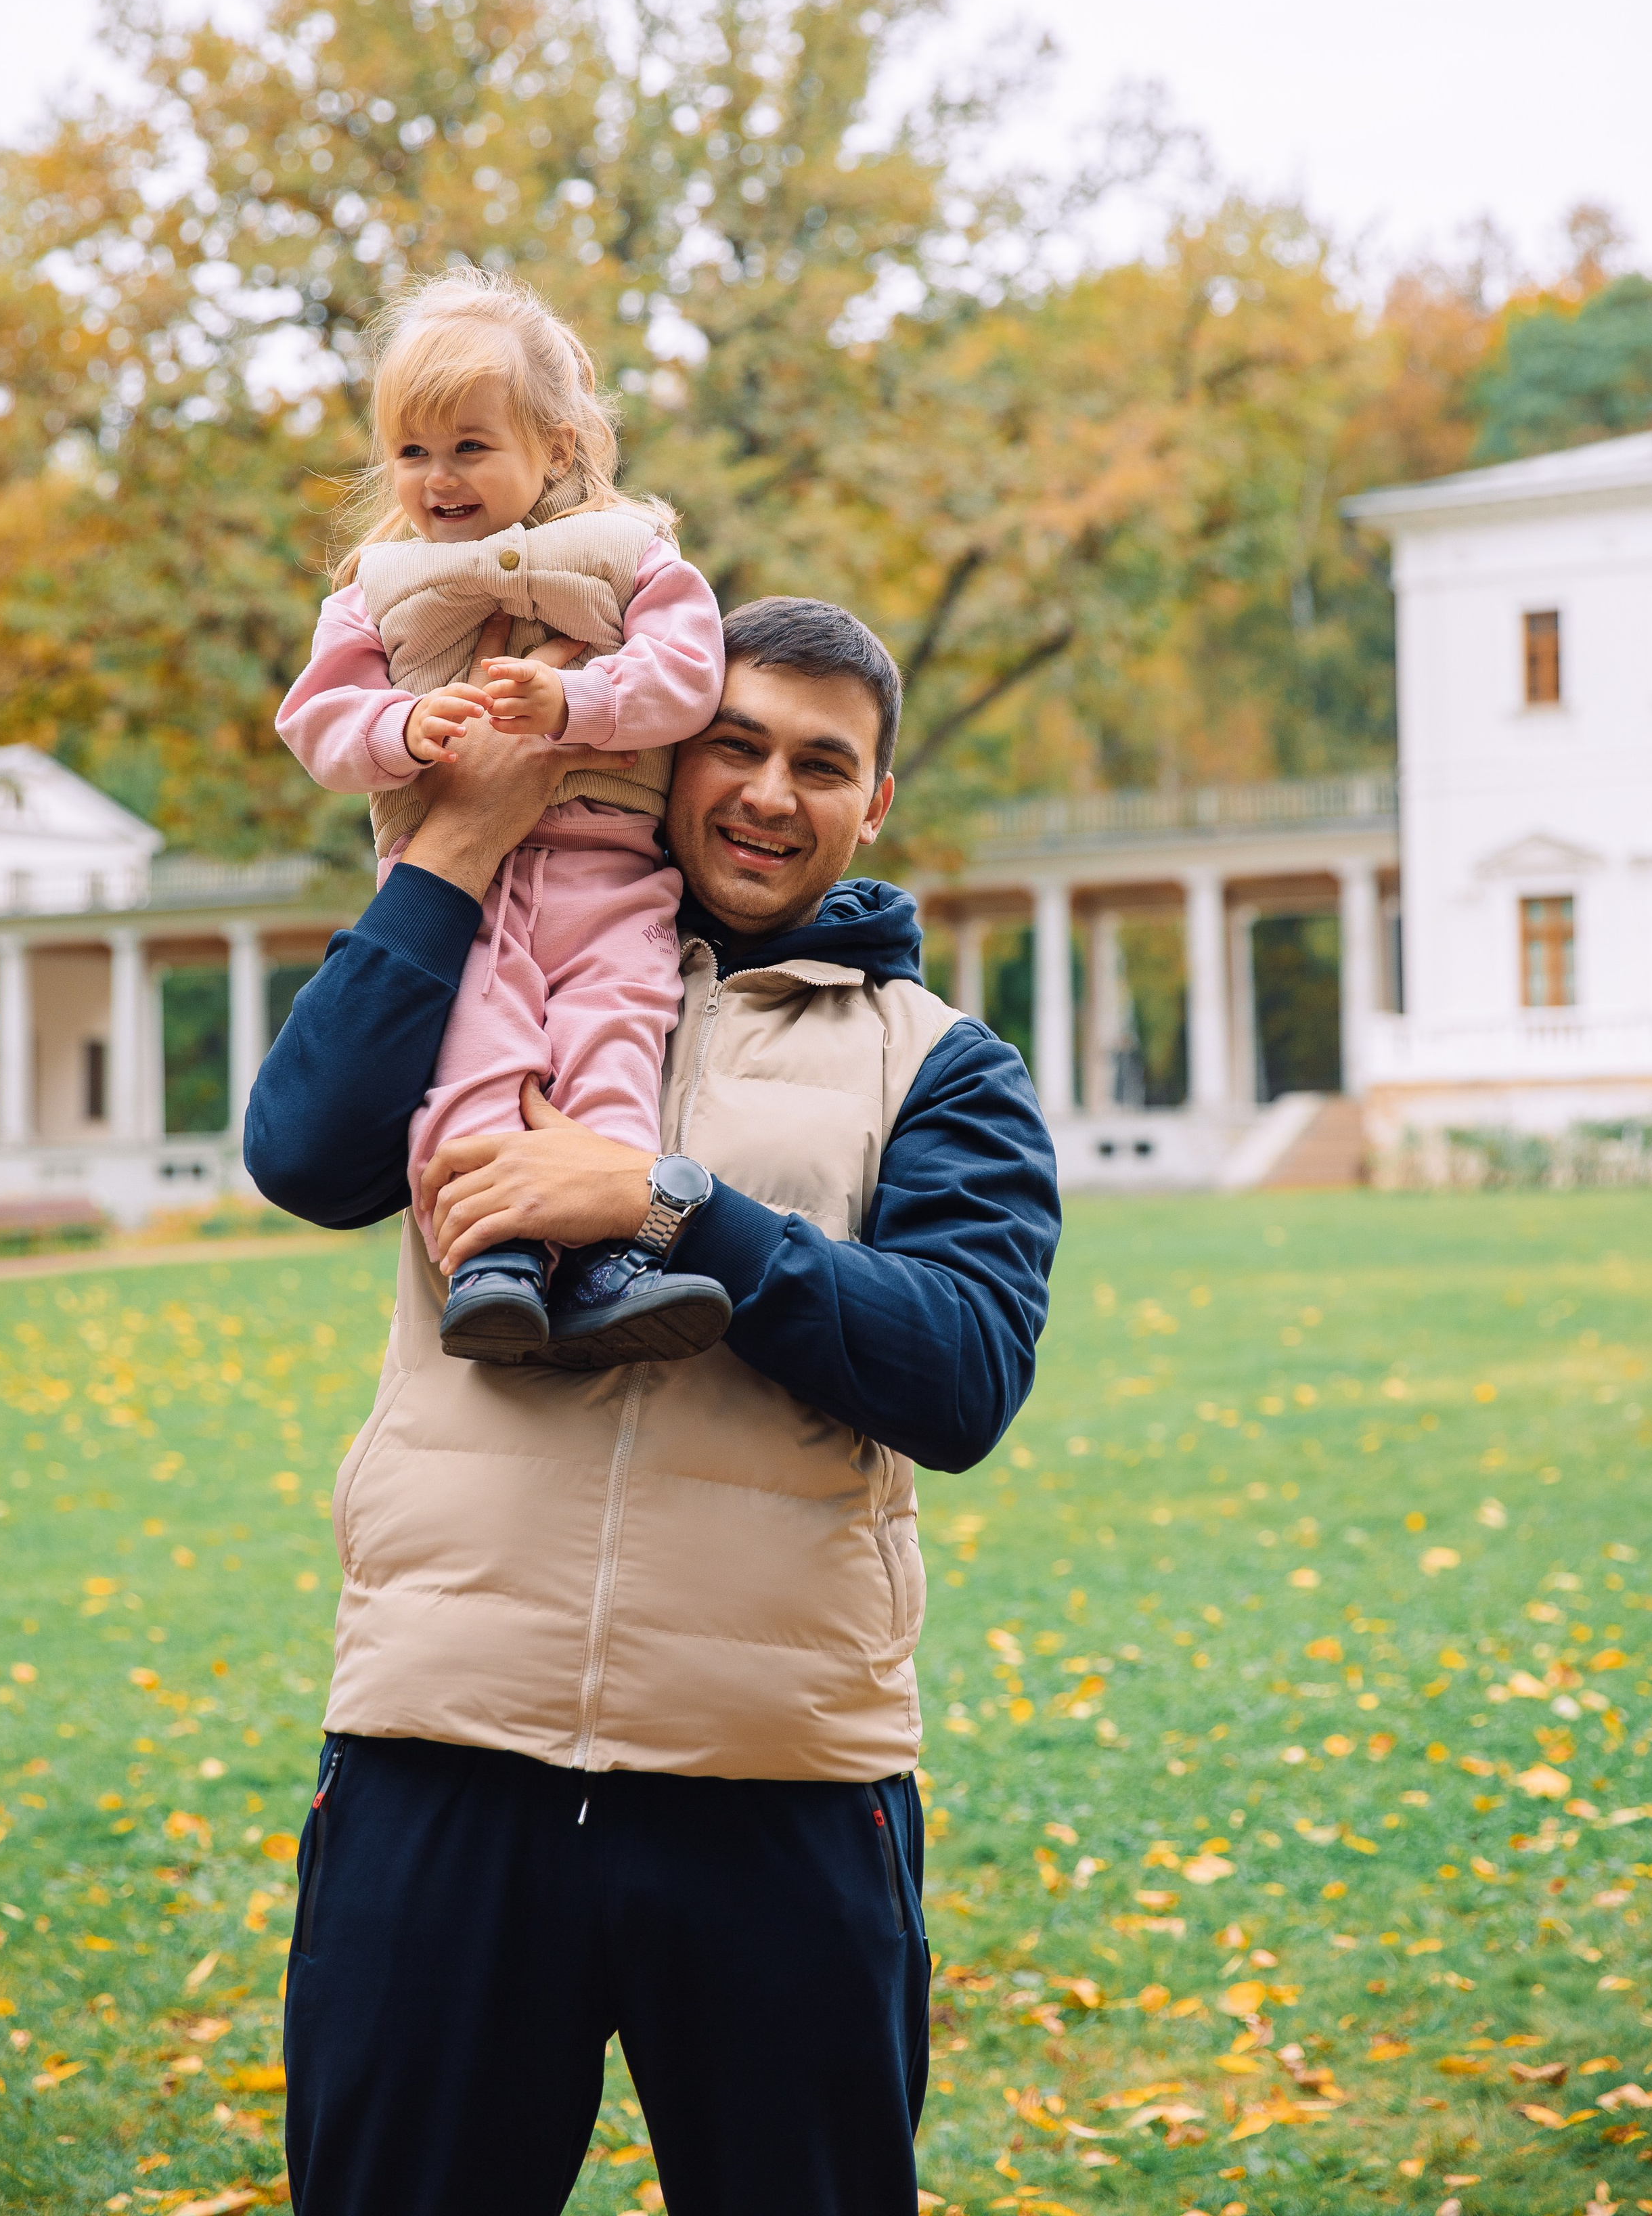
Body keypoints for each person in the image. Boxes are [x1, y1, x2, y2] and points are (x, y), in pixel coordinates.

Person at [247, 596, 1062, 2216]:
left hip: (778, 1785)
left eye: (820, 765)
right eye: (735, 746)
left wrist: (669, 1204)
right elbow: (305, 1155)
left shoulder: (939, 1063)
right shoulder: (488, 960)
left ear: (874, 802)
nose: (768, 792)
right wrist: (456, 850)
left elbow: (961, 1371)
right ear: (665, 751)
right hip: (442, 1750)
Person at [276, 265, 730, 1359]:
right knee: (475, 1054)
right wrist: (403, 726)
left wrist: (575, 700)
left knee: (612, 1035)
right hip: (453, 897)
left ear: (557, 446)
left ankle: (618, 1255)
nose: (439, 479)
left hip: (610, 877)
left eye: (471, 447)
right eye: (413, 452)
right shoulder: (375, 589)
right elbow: (316, 721)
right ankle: (491, 1257)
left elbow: (690, 677)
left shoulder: (632, 556)